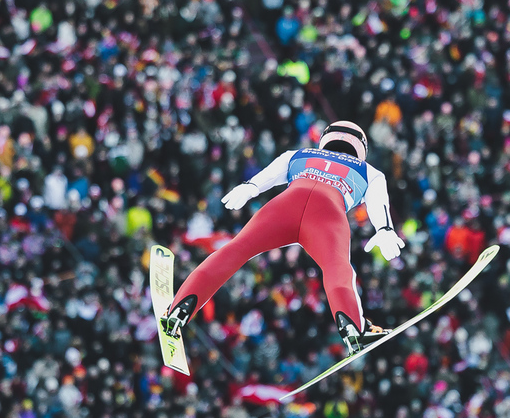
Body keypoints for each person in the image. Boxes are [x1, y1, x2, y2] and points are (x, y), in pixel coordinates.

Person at [161, 121, 405, 353]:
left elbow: (268, 175)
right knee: (337, 268)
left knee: (235, 250)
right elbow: (378, 202)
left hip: (285, 207)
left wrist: (250, 187)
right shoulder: (369, 171)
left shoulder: (298, 154)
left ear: (325, 138)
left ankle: (180, 309)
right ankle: (353, 327)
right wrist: (384, 229)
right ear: (361, 147)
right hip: (328, 215)